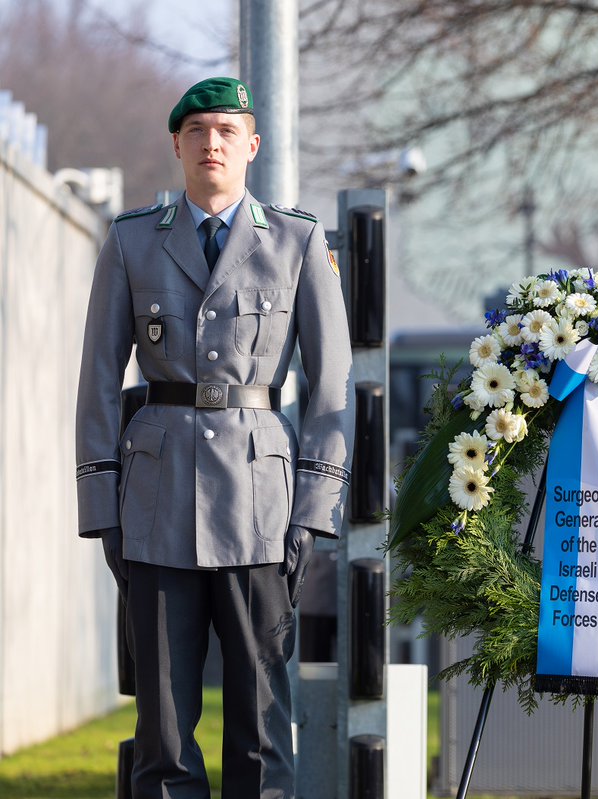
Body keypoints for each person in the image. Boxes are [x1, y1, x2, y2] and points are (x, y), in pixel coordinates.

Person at [75, 77, 354, 798]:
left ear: (252, 146)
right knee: (163, 734)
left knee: (261, 726)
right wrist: (102, 506)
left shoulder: (296, 240)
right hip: (157, 501)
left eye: (227, 130)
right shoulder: (132, 240)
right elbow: (99, 381)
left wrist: (315, 508)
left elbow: (330, 387)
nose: (211, 143)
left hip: (261, 507)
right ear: (177, 144)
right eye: (197, 130)